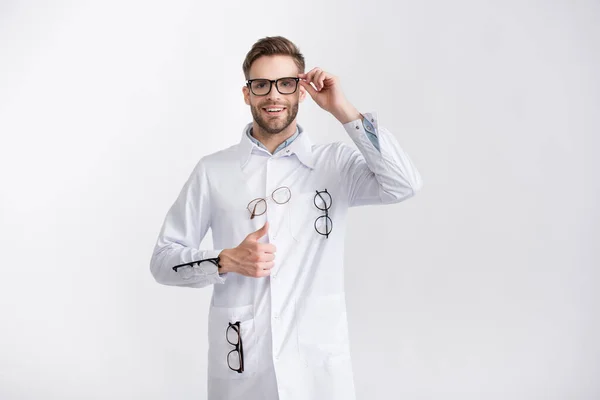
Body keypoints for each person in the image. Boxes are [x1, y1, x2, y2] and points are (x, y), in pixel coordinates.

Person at [149, 35, 423, 400]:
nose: (273, 95)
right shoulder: (214, 171)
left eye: (286, 83)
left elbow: (404, 184)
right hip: (245, 369)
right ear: (247, 93)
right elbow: (162, 261)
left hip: (318, 372)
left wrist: (344, 110)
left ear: (301, 90)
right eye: (261, 84)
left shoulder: (335, 165)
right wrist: (223, 260)